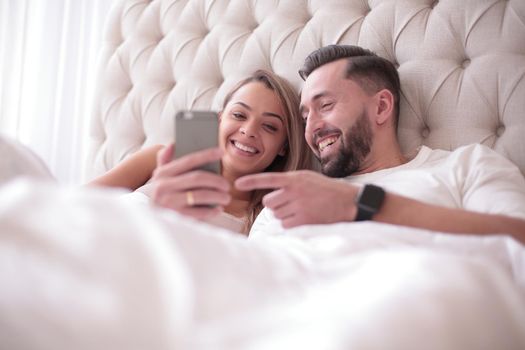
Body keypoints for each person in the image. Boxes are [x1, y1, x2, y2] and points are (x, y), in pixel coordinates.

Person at [235, 45, 525, 243]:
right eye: (305, 116)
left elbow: (518, 240)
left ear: (382, 107)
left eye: (325, 105)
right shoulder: (285, 200)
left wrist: (365, 206)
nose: (310, 128)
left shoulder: (464, 167)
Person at [88, 70, 313, 234]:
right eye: (239, 115)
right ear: (219, 120)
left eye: (269, 127)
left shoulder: (265, 221)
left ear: (284, 146)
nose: (249, 131)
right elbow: (75, 203)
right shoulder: (161, 160)